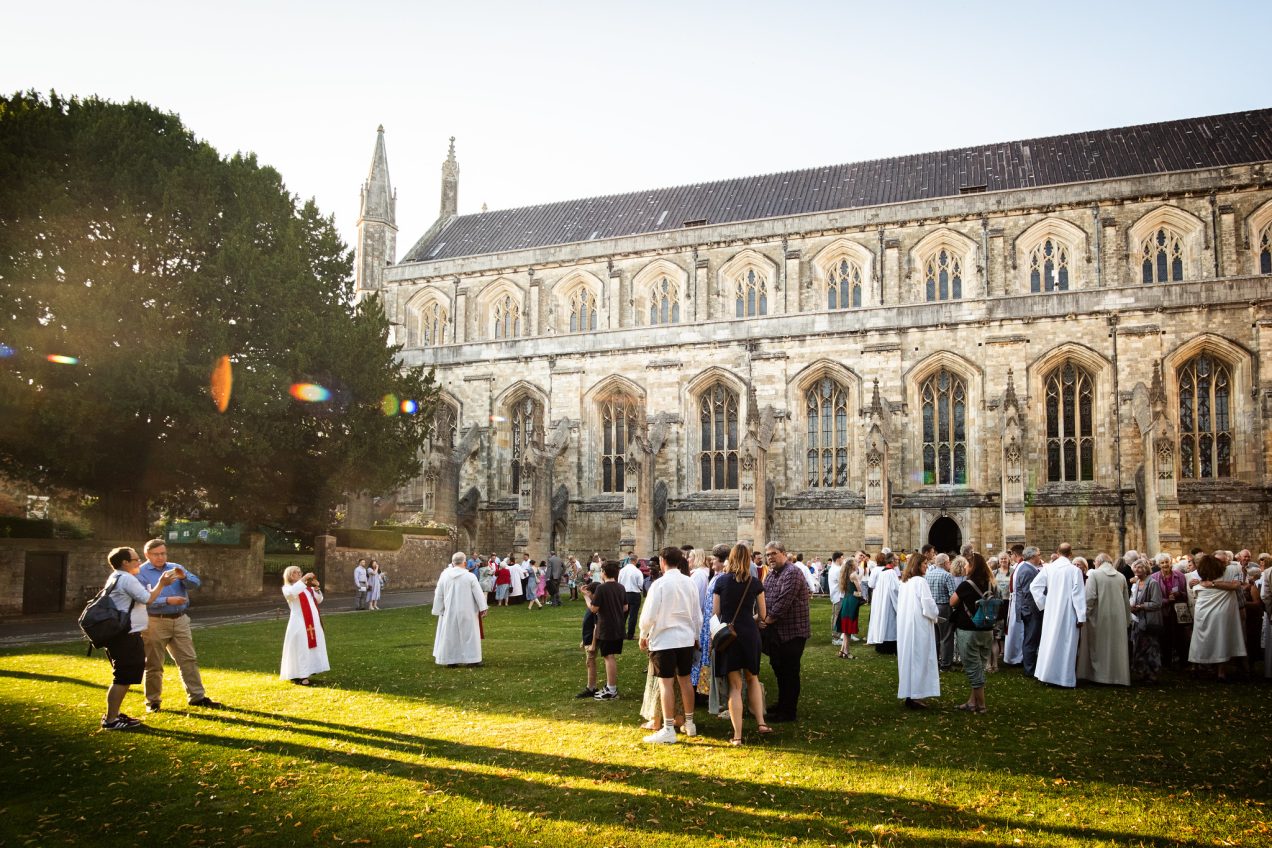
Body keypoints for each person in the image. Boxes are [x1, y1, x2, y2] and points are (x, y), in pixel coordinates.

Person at [137, 539, 221, 712]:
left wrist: (184, 577)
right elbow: (142, 599)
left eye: (163, 553)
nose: (160, 557)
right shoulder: (141, 572)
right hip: (155, 621)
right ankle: (153, 702)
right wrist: (167, 600)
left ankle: (197, 697)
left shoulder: (174, 567)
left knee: (188, 659)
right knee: (154, 663)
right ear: (147, 555)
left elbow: (196, 583)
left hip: (180, 619)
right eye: (156, 554)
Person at [99, 547, 177, 730]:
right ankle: (111, 720)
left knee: (124, 676)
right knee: (122, 677)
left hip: (121, 634)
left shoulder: (117, 576)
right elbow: (147, 599)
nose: (139, 562)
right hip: (125, 635)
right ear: (125, 562)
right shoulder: (126, 578)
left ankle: (114, 714)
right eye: (136, 559)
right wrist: (162, 584)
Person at [638, 547, 702, 744]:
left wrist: (643, 633)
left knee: (665, 682)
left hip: (664, 639)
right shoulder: (689, 582)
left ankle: (668, 728)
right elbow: (696, 614)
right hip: (685, 638)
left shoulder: (659, 584)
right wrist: (696, 636)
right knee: (685, 680)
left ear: (662, 561)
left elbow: (649, 614)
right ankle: (689, 722)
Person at [712, 542, 772, 745]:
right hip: (749, 634)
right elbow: (763, 614)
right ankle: (761, 723)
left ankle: (737, 735)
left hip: (730, 636)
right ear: (748, 560)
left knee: (735, 686)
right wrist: (750, 618)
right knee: (752, 678)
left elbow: (716, 613)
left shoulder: (721, 581)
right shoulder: (755, 583)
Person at [759, 541, 810, 723]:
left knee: (789, 672)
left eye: (773, 553)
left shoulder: (792, 573)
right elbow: (764, 597)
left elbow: (783, 602)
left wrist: (766, 620)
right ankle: (782, 704)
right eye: (768, 555)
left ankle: (788, 711)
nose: (770, 557)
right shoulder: (771, 574)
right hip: (777, 633)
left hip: (793, 633)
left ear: (783, 553)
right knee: (779, 670)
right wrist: (762, 616)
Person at [1030, 543, 1086, 688]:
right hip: (1069, 611)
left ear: (1058, 552)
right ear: (1071, 554)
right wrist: (1081, 616)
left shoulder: (1049, 568)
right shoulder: (1075, 571)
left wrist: (1045, 603)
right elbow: (1078, 595)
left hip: (1052, 610)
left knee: (1050, 640)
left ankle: (1047, 674)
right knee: (1067, 643)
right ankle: (1063, 678)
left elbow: (1034, 586)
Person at [949, 552, 996, 713]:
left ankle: (981, 705)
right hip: (987, 628)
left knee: (972, 667)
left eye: (967, 564)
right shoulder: (991, 584)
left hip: (968, 629)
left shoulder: (966, 585)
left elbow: (952, 602)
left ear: (973, 566)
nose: (965, 566)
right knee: (980, 666)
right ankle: (971, 702)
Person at [1188, 553, 1246, 681]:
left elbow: (1235, 585)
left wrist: (1212, 584)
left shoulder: (1202, 583)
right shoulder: (1205, 581)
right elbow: (1234, 586)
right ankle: (1215, 671)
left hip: (1203, 612)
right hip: (1214, 613)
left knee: (1203, 638)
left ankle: (1199, 667)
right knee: (1219, 639)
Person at [1077, 553, 1130, 686]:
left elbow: (1089, 597)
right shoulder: (1121, 576)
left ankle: (1100, 676)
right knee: (1116, 647)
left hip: (1099, 616)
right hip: (1118, 617)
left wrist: (1084, 615)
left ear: (1098, 562)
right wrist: (1127, 620)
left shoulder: (1094, 575)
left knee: (1099, 646)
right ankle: (1117, 676)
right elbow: (1126, 601)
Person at [896, 552, 940, 709]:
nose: (927, 566)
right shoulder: (920, 582)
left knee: (909, 658)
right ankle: (916, 695)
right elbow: (928, 604)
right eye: (924, 564)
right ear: (917, 566)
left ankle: (910, 693)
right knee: (919, 658)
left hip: (906, 625)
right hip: (919, 624)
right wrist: (936, 614)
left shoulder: (905, 582)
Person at [432, 551, 488, 667]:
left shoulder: (444, 576)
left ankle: (451, 660)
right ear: (465, 563)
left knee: (450, 635)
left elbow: (439, 594)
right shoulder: (470, 576)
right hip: (467, 610)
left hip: (450, 610)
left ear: (453, 563)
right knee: (470, 635)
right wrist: (483, 607)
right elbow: (478, 593)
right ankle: (472, 659)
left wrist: (439, 609)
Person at [279, 566, 329, 685]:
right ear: (290, 575)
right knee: (301, 647)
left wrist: (316, 588)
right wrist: (304, 579)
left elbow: (318, 599)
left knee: (309, 648)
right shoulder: (287, 588)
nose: (299, 574)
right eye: (296, 572)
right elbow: (292, 593)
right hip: (299, 623)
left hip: (312, 622)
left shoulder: (306, 588)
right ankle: (301, 675)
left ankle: (308, 671)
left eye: (300, 572)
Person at [589, 561, 628, 700]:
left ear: (604, 572)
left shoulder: (601, 588)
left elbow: (594, 609)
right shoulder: (621, 587)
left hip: (607, 627)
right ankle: (610, 686)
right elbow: (625, 607)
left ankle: (611, 689)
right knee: (610, 656)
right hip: (618, 625)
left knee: (608, 656)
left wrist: (587, 597)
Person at [1129, 558, 1165, 683]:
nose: (1137, 569)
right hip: (1138, 620)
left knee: (1151, 648)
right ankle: (1142, 672)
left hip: (1150, 621)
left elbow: (1157, 603)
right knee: (1139, 647)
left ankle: (1152, 674)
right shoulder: (1137, 582)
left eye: (1139, 567)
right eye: (1135, 567)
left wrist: (1142, 606)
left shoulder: (1153, 583)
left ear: (1146, 569)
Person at [1014, 546, 1044, 677]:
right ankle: (1029, 669)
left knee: (1031, 638)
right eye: (1038, 555)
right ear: (1032, 557)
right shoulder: (1027, 570)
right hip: (1031, 610)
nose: (1040, 557)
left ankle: (1030, 666)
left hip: (1029, 610)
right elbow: (1029, 594)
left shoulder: (1027, 568)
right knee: (1031, 640)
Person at [925, 553, 957, 671]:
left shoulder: (928, 575)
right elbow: (953, 594)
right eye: (949, 562)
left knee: (935, 636)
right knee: (946, 636)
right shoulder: (947, 575)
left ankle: (935, 661)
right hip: (944, 607)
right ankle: (946, 663)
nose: (950, 564)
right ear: (945, 563)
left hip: (931, 607)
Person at [866, 552, 900, 654]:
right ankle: (889, 646)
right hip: (889, 602)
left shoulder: (883, 572)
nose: (898, 561)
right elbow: (895, 589)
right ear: (892, 561)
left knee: (884, 622)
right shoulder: (891, 573)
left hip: (883, 600)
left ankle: (882, 645)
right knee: (890, 623)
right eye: (896, 559)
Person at [575, 580, 600, 698]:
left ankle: (591, 687)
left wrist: (593, 644)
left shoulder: (595, 609)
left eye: (589, 593)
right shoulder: (592, 607)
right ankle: (591, 687)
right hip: (588, 639)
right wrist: (583, 640)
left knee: (590, 662)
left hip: (591, 640)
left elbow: (596, 627)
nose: (587, 594)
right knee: (589, 662)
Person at [836, 558, 864, 659]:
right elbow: (859, 590)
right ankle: (847, 652)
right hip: (852, 601)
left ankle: (842, 650)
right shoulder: (853, 575)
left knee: (846, 626)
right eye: (856, 562)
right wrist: (860, 595)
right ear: (852, 565)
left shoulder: (845, 575)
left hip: (846, 600)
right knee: (848, 628)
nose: (857, 564)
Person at [618, 555, 645, 640]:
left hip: (624, 593)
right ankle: (630, 634)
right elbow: (640, 584)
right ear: (636, 561)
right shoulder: (637, 571)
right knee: (633, 615)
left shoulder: (622, 570)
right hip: (634, 594)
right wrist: (640, 589)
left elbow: (619, 582)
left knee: (623, 615)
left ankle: (621, 633)